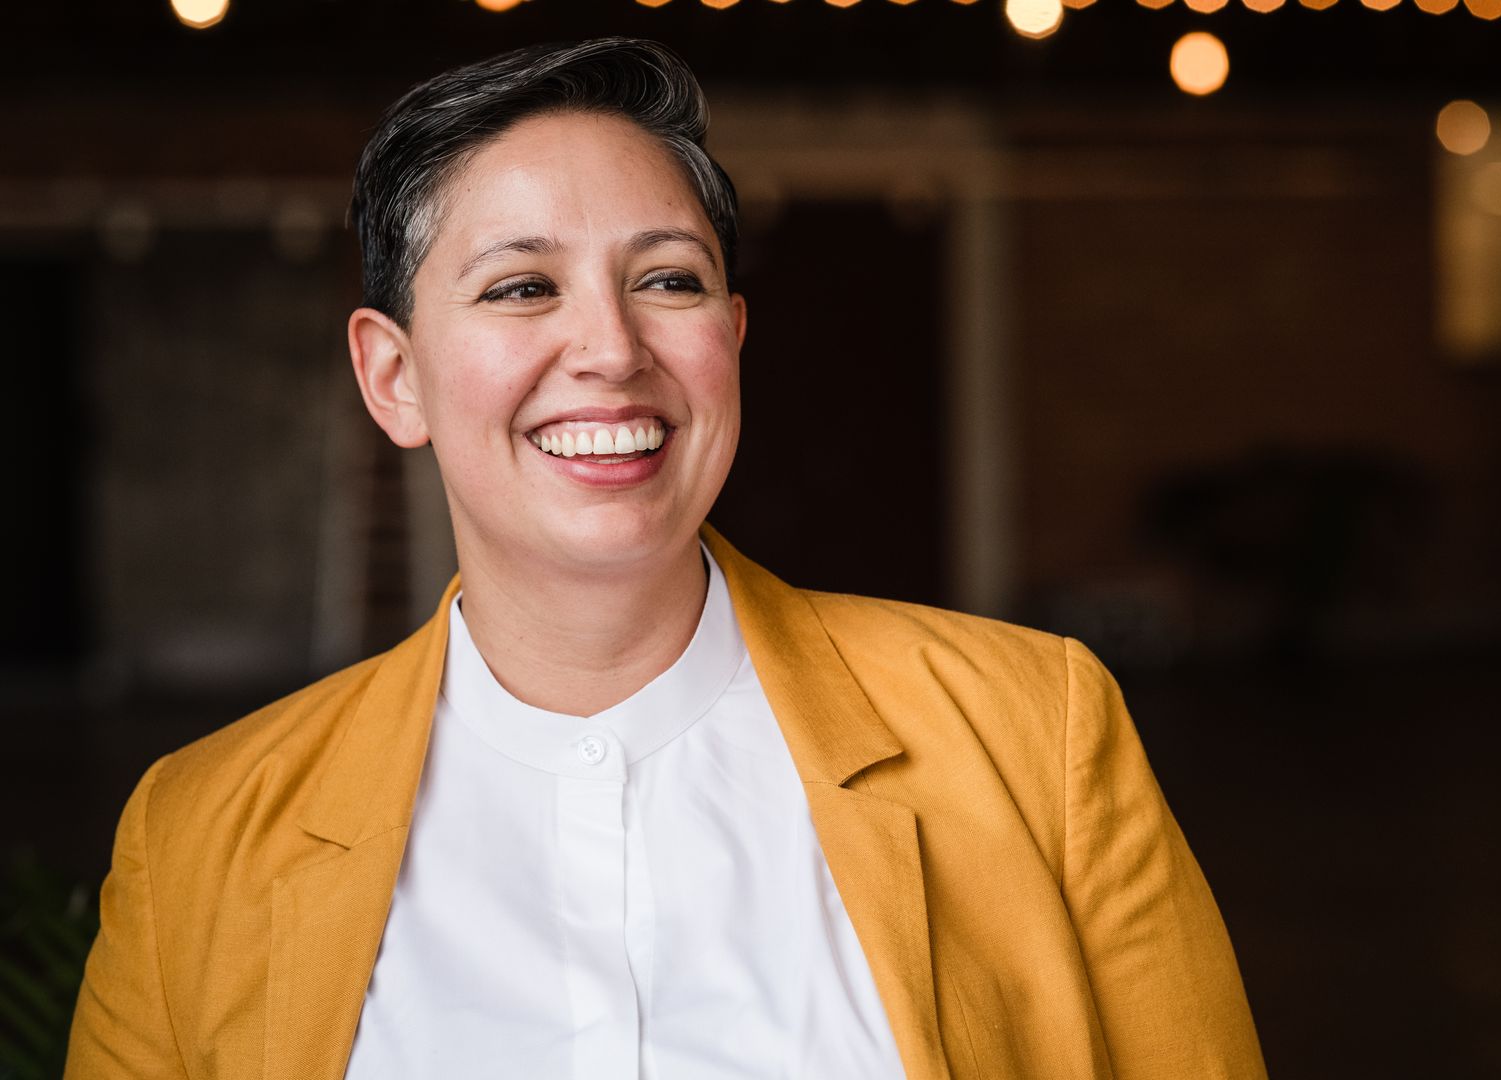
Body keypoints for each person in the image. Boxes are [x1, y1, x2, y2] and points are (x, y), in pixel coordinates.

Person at [65, 37, 1265, 1080]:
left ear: (731, 341)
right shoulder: (196, 840)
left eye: (668, 280)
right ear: (395, 376)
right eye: (523, 285)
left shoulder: (1034, 738)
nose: (610, 347)